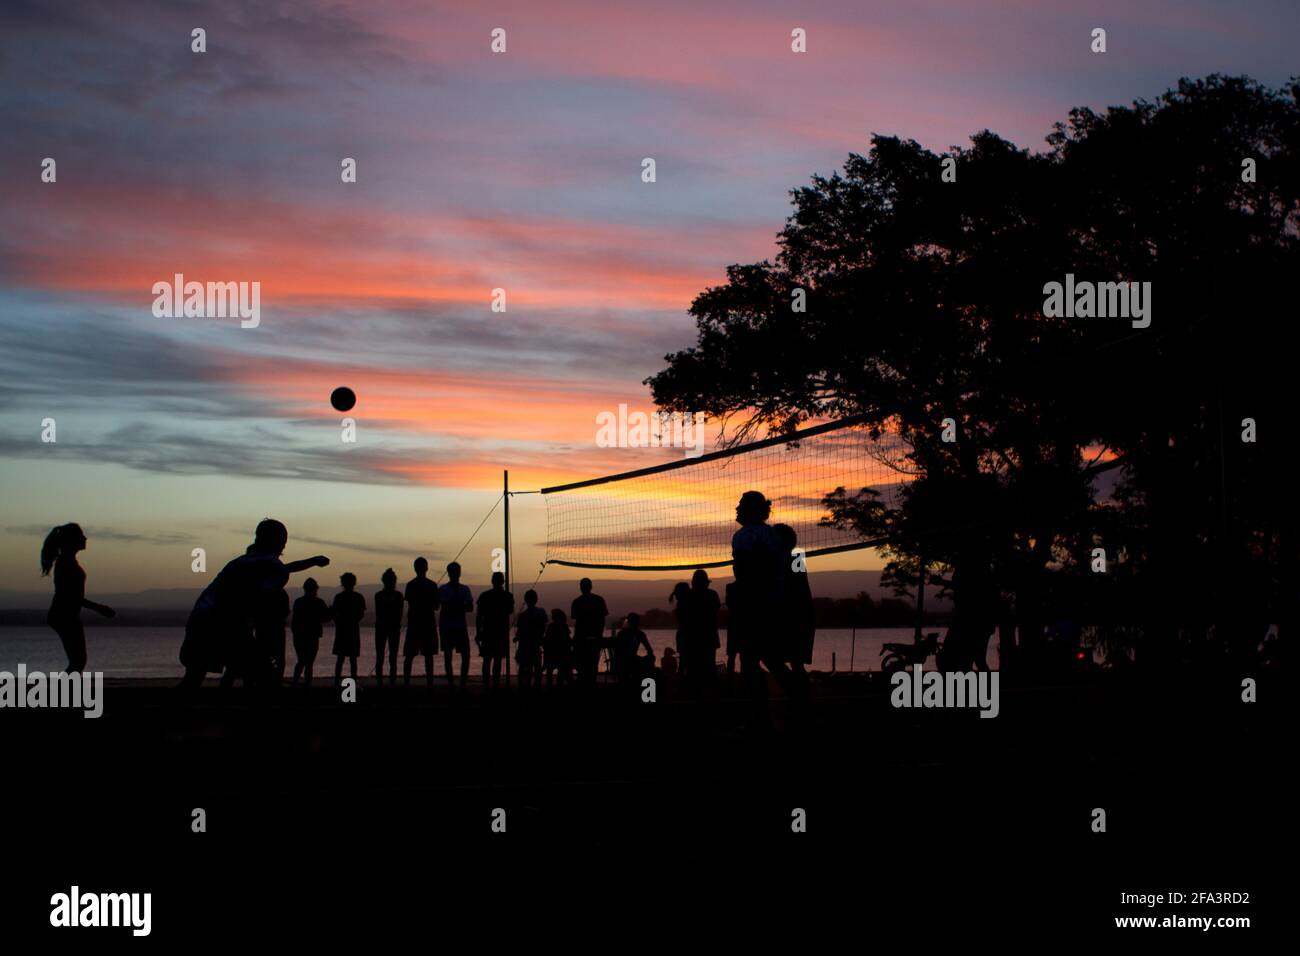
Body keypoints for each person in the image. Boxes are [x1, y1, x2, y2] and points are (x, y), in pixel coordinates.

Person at [179, 519, 328, 691]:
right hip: (226, 623)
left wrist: (312, 561)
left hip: (200, 619)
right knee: (267, 676)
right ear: (280, 543)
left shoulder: (239, 562)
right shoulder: (274, 569)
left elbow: (280, 569)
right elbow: (263, 599)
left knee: (193, 678)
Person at [730, 491, 796, 710]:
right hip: (775, 604)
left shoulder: (745, 535)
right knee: (770, 658)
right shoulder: (773, 535)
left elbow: (746, 570)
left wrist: (741, 594)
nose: (736, 508)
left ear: (750, 509)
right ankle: (798, 701)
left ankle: (761, 716)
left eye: (740, 505)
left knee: (750, 663)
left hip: (755, 607)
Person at [40, 523, 114, 672]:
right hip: (63, 615)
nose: (85, 538)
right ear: (72, 540)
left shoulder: (69, 561)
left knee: (78, 661)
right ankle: (62, 692)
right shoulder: (66, 563)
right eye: (81, 536)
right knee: (78, 661)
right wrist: (99, 608)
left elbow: (72, 596)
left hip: (67, 615)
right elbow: (69, 596)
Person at [774, 524, 814, 697]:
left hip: (796, 617)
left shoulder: (795, 558)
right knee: (789, 662)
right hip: (794, 616)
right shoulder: (792, 558)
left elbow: (798, 588)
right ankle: (798, 695)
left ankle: (799, 696)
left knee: (794, 662)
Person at [403, 557, 440, 688]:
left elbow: (410, 603)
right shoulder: (432, 585)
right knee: (428, 656)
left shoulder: (410, 585)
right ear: (426, 568)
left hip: (414, 624)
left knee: (409, 656)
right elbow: (436, 606)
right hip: (427, 624)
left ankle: (406, 683)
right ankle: (430, 684)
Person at [683, 568, 721, 693]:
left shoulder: (688, 596)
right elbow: (715, 612)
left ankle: (693, 692)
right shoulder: (712, 594)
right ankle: (711, 693)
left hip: (692, 637)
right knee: (709, 666)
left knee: (693, 667)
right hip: (708, 636)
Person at [438, 562, 474, 692]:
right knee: (448, 656)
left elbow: (469, 607)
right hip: (448, 626)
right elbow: (444, 606)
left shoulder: (463, 589)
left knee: (465, 655)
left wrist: (453, 604)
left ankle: (461, 683)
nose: (455, 573)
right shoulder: (444, 589)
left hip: (458, 626)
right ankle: (452, 683)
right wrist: (459, 604)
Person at [475, 571, 514, 691]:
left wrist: (478, 632)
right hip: (497, 632)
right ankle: (493, 684)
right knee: (495, 660)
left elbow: (479, 616)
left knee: (489, 659)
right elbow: (510, 611)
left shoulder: (485, 595)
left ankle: (487, 684)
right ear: (503, 582)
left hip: (491, 631)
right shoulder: (507, 596)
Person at [291, 577, 331, 688]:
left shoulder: (298, 602)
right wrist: (331, 611)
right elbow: (326, 618)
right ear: (315, 589)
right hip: (312, 636)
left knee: (301, 661)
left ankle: (295, 683)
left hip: (299, 636)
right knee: (309, 663)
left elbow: (294, 622)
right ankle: (307, 686)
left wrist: (295, 633)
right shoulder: (318, 602)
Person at [570, 578, 608, 688]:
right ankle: (590, 683)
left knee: (582, 663)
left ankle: (585, 683)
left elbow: (575, 619)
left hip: (582, 637)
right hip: (590, 637)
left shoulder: (577, 601)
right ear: (591, 587)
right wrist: (599, 634)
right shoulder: (599, 600)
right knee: (592, 662)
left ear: (581, 587)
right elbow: (602, 620)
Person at [331, 572, 365, 687]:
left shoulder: (339, 597)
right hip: (352, 630)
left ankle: (336, 682)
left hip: (342, 631)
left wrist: (340, 621)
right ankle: (352, 682)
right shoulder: (358, 597)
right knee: (352, 659)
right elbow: (360, 615)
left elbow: (334, 614)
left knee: (340, 659)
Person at [374, 568, 404, 686]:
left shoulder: (379, 596)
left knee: (383, 657)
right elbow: (399, 614)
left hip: (385, 628)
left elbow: (379, 613)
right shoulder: (398, 596)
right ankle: (389, 683)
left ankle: (382, 683)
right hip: (388, 628)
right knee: (390, 657)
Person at [514, 589, 547, 692]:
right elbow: (543, 628)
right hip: (535, 643)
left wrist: (517, 638)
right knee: (536, 666)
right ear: (536, 599)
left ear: (526, 600)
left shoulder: (522, 615)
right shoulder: (541, 612)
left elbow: (519, 631)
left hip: (524, 645)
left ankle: (523, 687)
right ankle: (536, 687)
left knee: (523, 666)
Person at [613, 613, 654, 687]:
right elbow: (649, 650)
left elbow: (649, 649)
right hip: (624, 661)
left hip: (628, 659)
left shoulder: (637, 634)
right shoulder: (624, 634)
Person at [542, 608, 572, 689]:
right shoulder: (564, 626)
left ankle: (550, 685)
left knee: (550, 671)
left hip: (552, 653)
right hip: (562, 654)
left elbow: (546, 640)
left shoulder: (551, 626)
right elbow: (568, 641)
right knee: (562, 671)